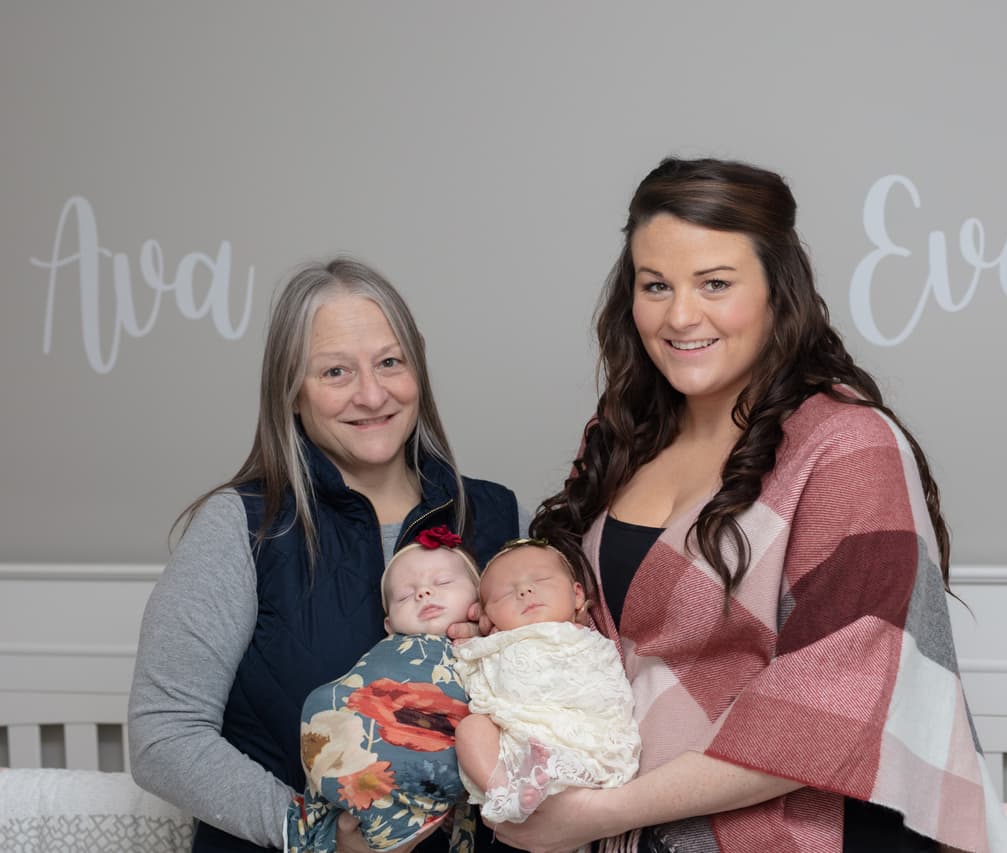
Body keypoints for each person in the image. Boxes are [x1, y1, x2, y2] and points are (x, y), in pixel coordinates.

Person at [501, 158, 1007, 853]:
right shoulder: (621, 436)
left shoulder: (845, 445)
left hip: (811, 833)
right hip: (631, 824)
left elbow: (829, 705)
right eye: (656, 285)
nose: (681, 315)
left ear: (778, 289)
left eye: (715, 283)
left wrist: (599, 813)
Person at [128, 257, 521, 853]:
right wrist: (311, 834)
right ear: (291, 392)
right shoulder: (242, 529)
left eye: (390, 362)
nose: (371, 393)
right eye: (335, 371)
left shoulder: (496, 517)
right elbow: (164, 736)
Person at [287, 527, 483, 853]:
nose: (423, 593)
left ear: (480, 600)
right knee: (321, 702)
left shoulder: (490, 648)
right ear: (389, 625)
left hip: (427, 757)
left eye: (443, 583)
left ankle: (403, 811)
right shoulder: (389, 651)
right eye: (405, 596)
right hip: (350, 761)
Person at [452, 540, 640, 826]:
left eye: (539, 580)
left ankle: (557, 773)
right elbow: (469, 672)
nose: (525, 591)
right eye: (506, 593)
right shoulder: (493, 645)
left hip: (586, 737)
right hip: (516, 743)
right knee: (471, 729)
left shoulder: (588, 639)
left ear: (577, 595)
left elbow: (609, 689)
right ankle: (504, 793)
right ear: (488, 619)